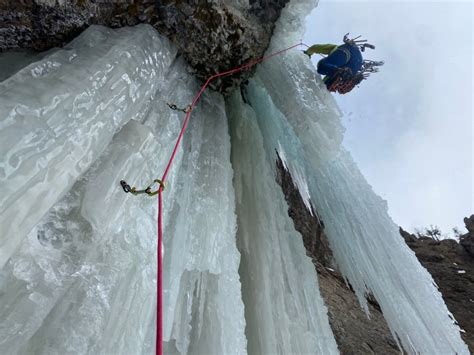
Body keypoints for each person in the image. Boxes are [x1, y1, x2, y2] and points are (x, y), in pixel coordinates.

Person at [304, 34, 383, 94]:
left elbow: (315, 47)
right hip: (355, 69)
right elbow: (328, 79)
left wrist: (307, 53)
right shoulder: (337, 68)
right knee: (329, 81)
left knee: (322, 66)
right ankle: (348, 80)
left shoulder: (335, 48)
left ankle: (343, 77)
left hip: (347, 52)